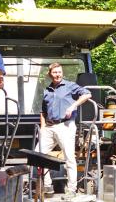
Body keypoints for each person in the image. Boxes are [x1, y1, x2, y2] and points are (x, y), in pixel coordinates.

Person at [39, 62, 92, 195]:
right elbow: (43, 112)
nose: (57, 74)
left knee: (69, 157)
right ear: (50, 74)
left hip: (65, 125)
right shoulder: (47, 90)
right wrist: (43, 127)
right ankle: (47, 186)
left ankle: (71, 189)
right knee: (38, 155)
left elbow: (87, 94)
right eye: (55, 72)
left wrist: (73, 106)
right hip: (49, 127)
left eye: (59, 72)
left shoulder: (69, 86)